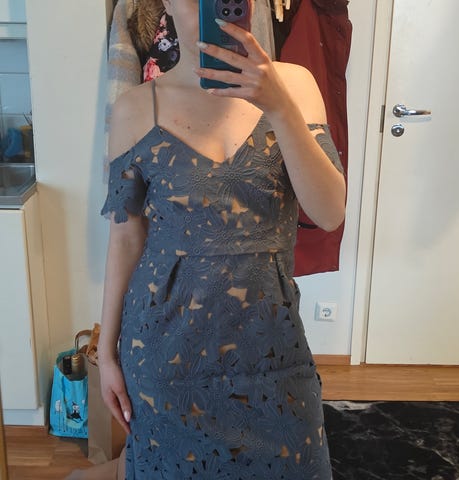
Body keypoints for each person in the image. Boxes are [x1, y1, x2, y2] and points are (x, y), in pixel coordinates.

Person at [98, 0, 346, 476]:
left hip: (273, 353)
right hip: (165, 358)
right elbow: (126, 241)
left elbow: (329, 212)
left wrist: (279, 107)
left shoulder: (294, 86)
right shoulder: (136, 107)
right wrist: (106, 355)